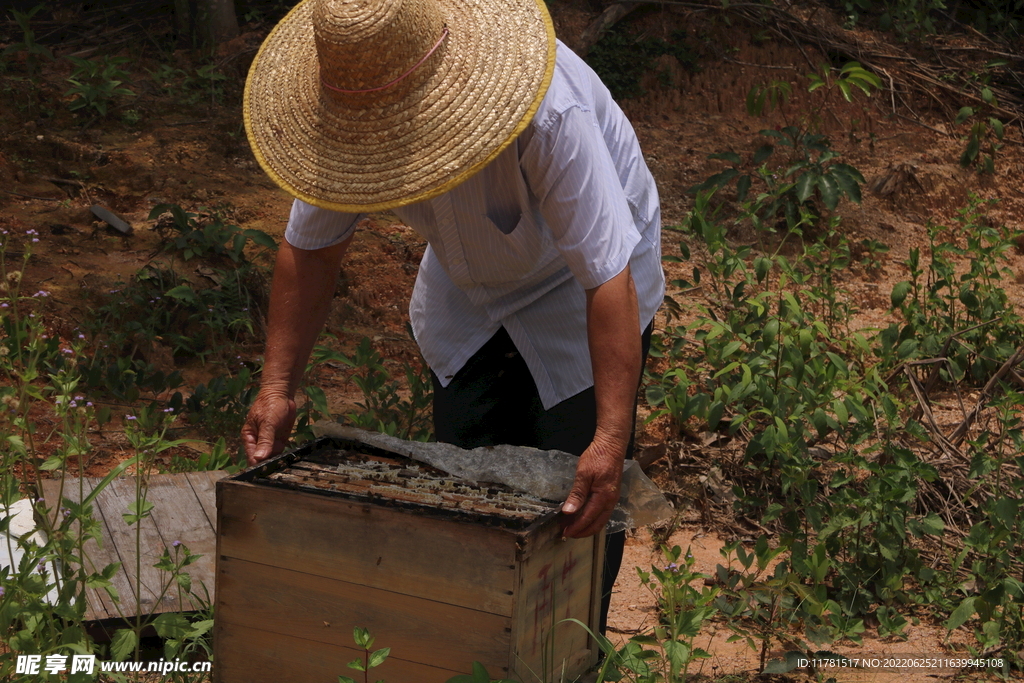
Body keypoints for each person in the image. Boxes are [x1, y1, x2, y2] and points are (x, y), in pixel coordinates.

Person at [240, 0, 664, 633]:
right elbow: (311, 247)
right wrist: (277, 386)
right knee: (464, 497)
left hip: (581, 295)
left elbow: (607, 277)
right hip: (465, 295)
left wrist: (609, 438)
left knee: (575, 514)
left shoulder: (550, 113)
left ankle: (570, 654)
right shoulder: (350, 112)